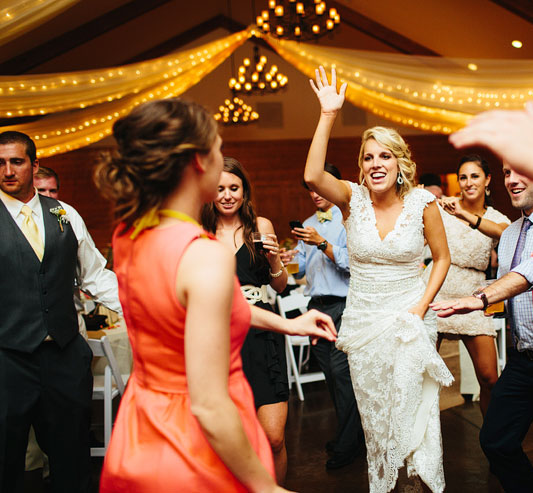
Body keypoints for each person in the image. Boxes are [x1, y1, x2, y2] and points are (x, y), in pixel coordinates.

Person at [94, 98, 336, 492]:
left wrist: (288, 324)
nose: (223, 158)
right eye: (219, 148)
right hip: (195, 442)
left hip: (141, 426)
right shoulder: (204, 254)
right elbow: (208, 404)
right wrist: (266, 486)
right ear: (197, 162)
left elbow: (211, 309)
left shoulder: (129, 234)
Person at [304, 66, 452, 493]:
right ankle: (388, 485)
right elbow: (313, 176)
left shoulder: (423, 203)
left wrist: (421, 308)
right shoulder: (352, 198)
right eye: (368, 157)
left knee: (413, 417)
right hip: (365, 324)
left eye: (384, 155)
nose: (375, 164)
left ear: (400, 162)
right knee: (378, 419)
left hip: (410, 319)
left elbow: (441, 259)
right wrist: (328, 114)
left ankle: (418, 486)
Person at [432, 159, 533, 492]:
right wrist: (480, 300)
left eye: (521, 170)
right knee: (496, 443)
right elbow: (511, 289)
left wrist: (479, 298)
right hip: (524, 361)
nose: (512, 180)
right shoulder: (510, 234)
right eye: (508, 172)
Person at [0, 130, 122, 493]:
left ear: (33, 166)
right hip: (7, 359)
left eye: (17, 162)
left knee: (72, 460)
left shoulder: (64, 214)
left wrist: (144, 316)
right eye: (0, 163)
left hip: (64, 355)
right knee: (6, 462)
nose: (7, 171)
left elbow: (97, 277)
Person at [201, 157, 291, 484]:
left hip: (262, 333)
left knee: (274, 437)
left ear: (244, 191)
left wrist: (274, 257)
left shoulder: (260, 226)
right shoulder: (200, 231)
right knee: (229, 439)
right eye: (220, 188)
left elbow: (279, 285)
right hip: (218, 338)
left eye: (234, 188)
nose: (227, 195)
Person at [284, 163, 364, 470]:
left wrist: (321, 242)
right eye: (311, 190)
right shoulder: (307, 223)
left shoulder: (348, 221)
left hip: (343, 305)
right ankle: (350, 435)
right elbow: (302, 270)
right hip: (315, 307)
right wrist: (289, 258)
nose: (315, 194)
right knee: (331, 377)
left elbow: (351, 263)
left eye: (320, 188)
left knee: (342, 375)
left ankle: (347, 445)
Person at [426, 154, 510, 416]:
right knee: (421, 376)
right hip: (436, 290)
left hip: (474, 297)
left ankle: (493, 441)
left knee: (489, 378)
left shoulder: (498, 218)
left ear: (487, 180)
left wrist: (465, 215)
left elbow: (504, 234)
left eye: (475, 176)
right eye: (463, 177)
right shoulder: (442, 207)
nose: (468, 182)